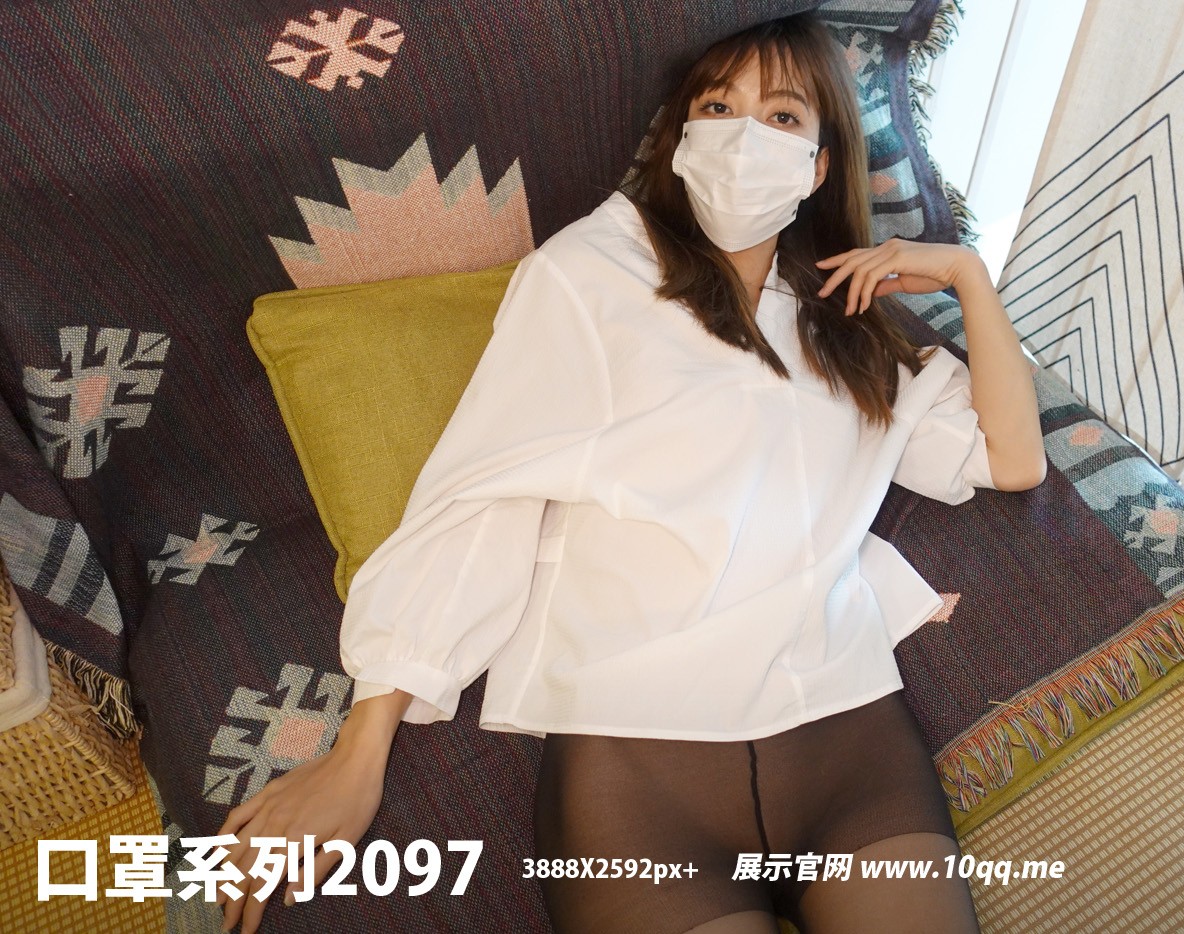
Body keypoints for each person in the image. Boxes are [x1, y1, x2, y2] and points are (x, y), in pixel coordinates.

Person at [215, 12, 1045, 934]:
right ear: (682, 139)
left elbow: (1012, 459)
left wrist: (969, 277)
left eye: (781, 116)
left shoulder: (845, 319)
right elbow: (484, 488)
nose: (743, 137)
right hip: (640, 768)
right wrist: (359, 750)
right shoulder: (589, 274)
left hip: (848, 738)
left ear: (818, 167)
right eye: (718, 108)